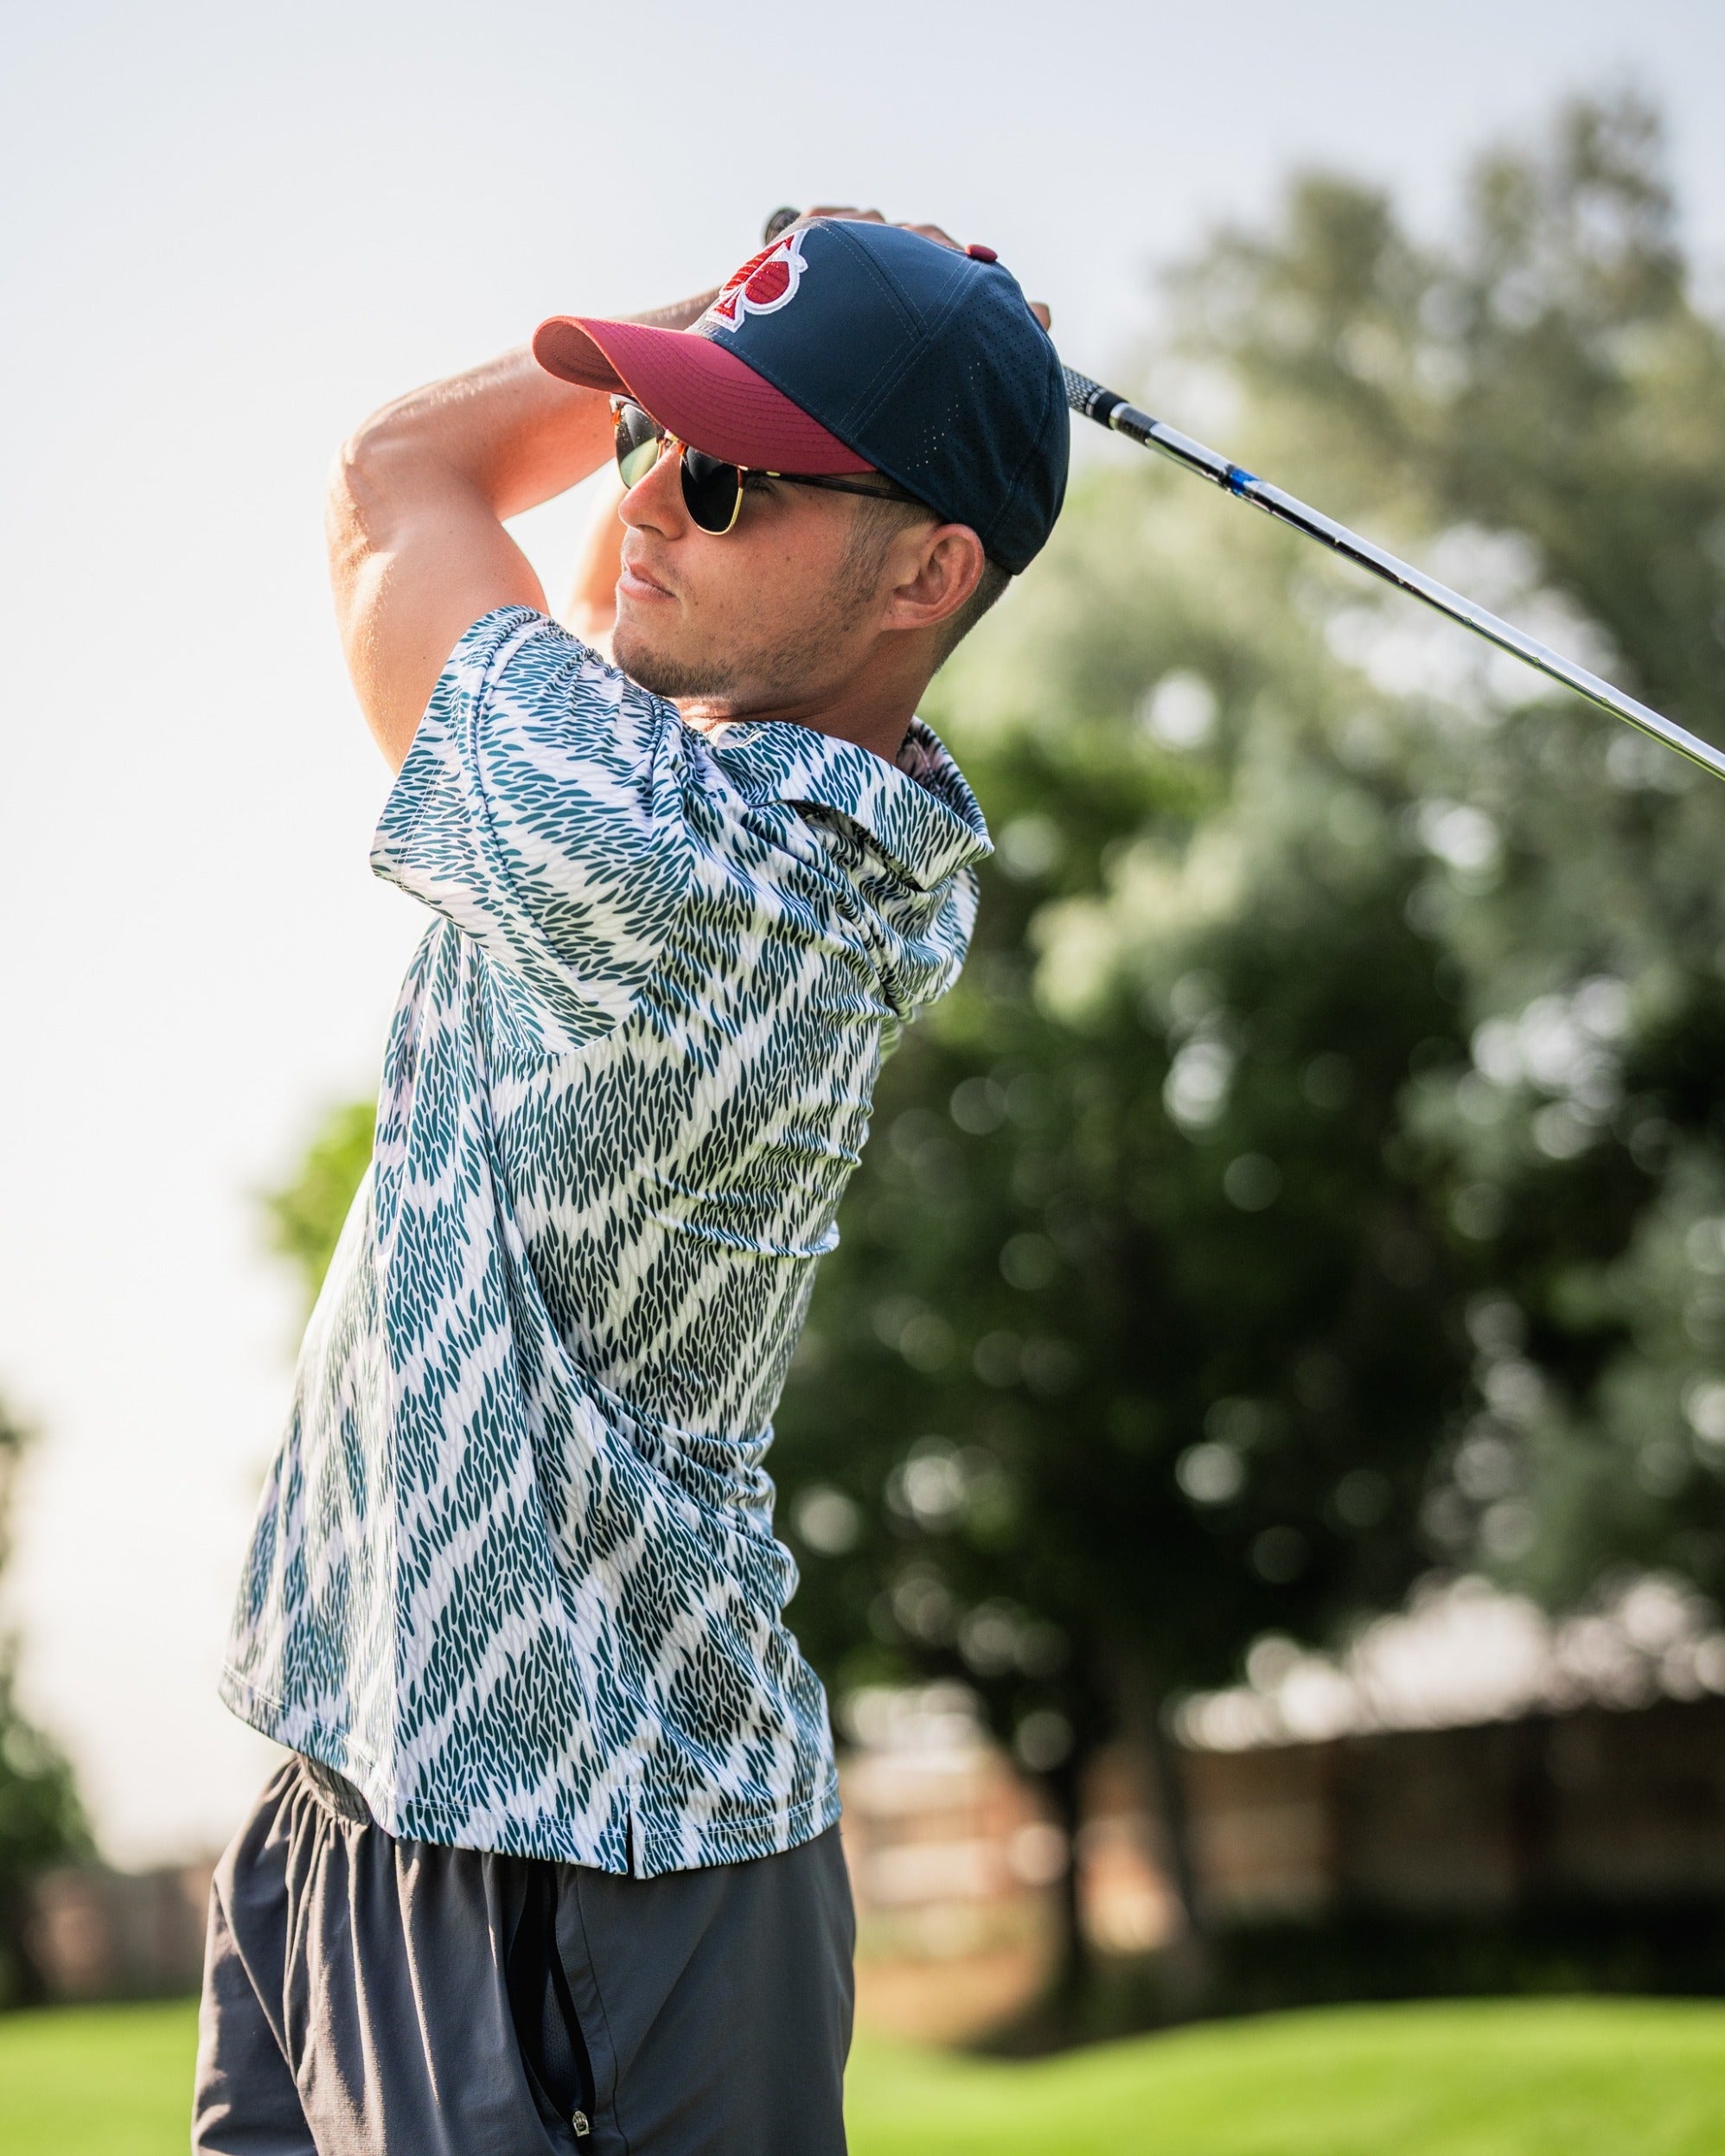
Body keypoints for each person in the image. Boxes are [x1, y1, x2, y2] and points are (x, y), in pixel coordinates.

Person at [192, 208, 1068, 2156]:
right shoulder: (771, 785)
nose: (657, 496)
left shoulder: (672, 869)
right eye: (649, 440)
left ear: (928, 572)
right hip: (360, 1780)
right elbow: (623, 611)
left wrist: (710, 307)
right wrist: (770, 331)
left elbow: (391, 478)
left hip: (579, 1849)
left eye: (734, 476)